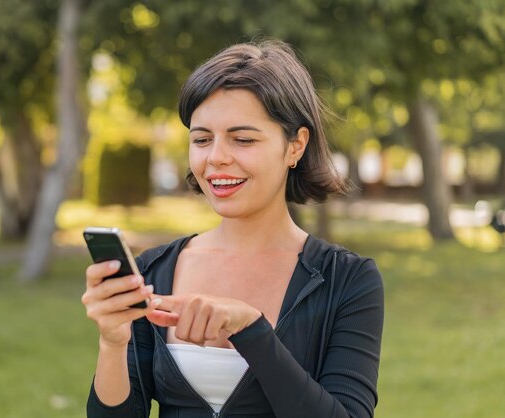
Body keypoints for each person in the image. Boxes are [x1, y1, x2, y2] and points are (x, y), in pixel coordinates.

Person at [82, 40, 384, 418]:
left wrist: (252, 331)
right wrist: (112, 341)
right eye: (202, 139)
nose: (216, 158)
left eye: (243, 139)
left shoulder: (347, 280)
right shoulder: (152, 271)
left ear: (295, 146)